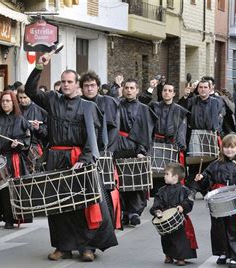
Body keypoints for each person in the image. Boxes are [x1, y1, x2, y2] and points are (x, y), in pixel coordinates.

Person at [25, 52, 118, 262]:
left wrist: (83, 161)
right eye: (64, 81)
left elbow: (93, 141)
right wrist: (39, 67)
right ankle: (62, 246)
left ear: (77, 85)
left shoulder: (89, 107)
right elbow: (30, 91)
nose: (66, 85)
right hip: (56, 158)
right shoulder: (51, 100)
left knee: (83, 203)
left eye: (70, 82)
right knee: (58, 205)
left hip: (79, 160)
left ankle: (87, 247)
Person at [195, 134, 236, 268]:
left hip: (235, 203)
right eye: (226, 147)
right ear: (221, 148)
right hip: (219, 202)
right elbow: (208, 181)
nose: (229, 150)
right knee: (219, 228)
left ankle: (235, 256)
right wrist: (201, 179)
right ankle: (223, 252)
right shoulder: (215, 165)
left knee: (234, 228)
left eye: (232, 147)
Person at [80, 70, 121, 228]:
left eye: (92, 85)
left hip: (103, 151)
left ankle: (107, 224)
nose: (89, 89)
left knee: (105, 190)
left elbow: (112, 128)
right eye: (86, 86)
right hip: (84, 152)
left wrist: (106, 152)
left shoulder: (107, 102)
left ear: (97, 87)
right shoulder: (80, 102)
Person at [116, 79, 157, 226]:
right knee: (121, 181)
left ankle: (134, 212)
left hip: (136, 148)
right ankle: (124, 211)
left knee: (136, 181)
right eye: (126, 87)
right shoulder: (116, 105)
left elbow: (146, 132)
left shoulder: (143, 109)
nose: (129, 90)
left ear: (137, 90)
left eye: (132, 88)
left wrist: (142, 150)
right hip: (119, 148)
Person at [0, 91, 31, 229]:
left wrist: (19, 142)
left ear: (13, 102)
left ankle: (14, 217)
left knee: (13, 190)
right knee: (1, 190)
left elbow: (27, 139)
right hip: (0, 158)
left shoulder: (20, 119)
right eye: (3, 101)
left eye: (8, 101)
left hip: (14, 158)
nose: (5, 103)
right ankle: (3, 217)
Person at [150, 163, 197, 266]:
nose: (164, 176)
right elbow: (158, 202)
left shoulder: (184, 189)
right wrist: (157, 210)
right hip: (165, 219)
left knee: (180, 239)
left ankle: (181, 257)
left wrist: (182, 206)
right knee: (166, 239)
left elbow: (189, 200)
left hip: (179, 219)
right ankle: (168, 255)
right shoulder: (162, 190)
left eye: (167, 174)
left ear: (175, 177)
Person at [185, 80, 224, 195]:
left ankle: (206, 188)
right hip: (195, 134)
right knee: (194, 163)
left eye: (205, 87)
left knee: (209, 163)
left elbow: (220, 117)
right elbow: (183, 108)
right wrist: (188, 94)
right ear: (198, 89)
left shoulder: (217, 102)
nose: (203, 89)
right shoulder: (192, 101)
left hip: (209, 135)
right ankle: (192, 188)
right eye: (200, 87)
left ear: (210, 89)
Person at [149, 83, 188, 193]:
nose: (167, 92)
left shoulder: (179, 110)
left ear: (174, 93)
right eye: (165, 90)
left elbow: (182, 129)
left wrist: (180, 145)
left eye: (170, 91)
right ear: (161, 92)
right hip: (156, 143)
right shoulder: (154, 106)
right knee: (156, 172)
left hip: (171, 144)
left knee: (169, 173)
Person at [17, 86, 48, 173]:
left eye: (25, 97)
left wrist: (39, 128)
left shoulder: (41, 111)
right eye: (20, 98)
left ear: (30, 97)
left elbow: (47, 133)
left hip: (35, 147)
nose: (22, 100)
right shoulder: (15, 110)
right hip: (19, 146)